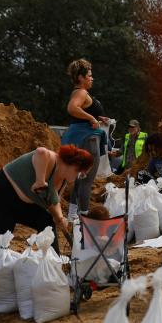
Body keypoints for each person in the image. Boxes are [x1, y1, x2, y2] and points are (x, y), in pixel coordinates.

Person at [0, 145, 91, 255]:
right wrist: (40, 180)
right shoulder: (53, 160)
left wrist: (60, 218)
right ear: (74, 166)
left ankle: (53, 263)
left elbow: (55, 201)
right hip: (0, 196)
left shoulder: (63, 180)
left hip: (21, 203)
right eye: (80, 174)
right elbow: (41, 152)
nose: (78, 177)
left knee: (47, 221)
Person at [61, 58, 111, 215]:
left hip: (81, 138)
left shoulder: (77, 92)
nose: (92, 78)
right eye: (89, 75)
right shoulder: (81, 92)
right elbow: (72, 108)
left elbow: (79, 112)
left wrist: (97, 117)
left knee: (78, 181)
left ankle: (72, 215)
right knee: (87, 182)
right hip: (89, 141)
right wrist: (91, 118)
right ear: (81, 78)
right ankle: (84, 217)